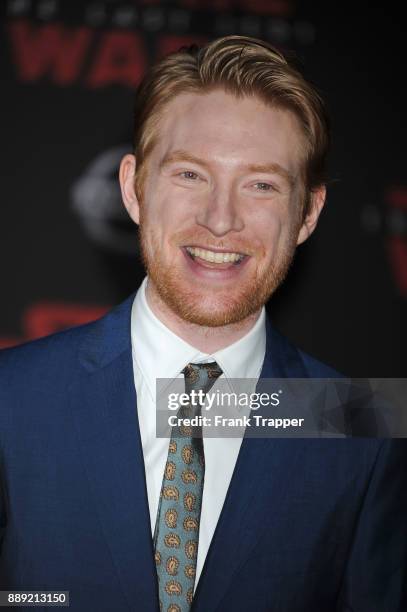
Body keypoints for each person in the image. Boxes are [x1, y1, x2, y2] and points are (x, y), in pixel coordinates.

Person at [0, 35, 405, 612]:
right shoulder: (11, 399)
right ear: (133, 188)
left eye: (261, 185)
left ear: (308, 214)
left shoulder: (358, 424)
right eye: (190, 175)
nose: (220, 220)